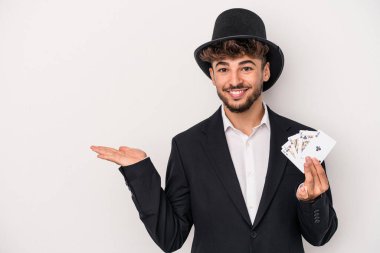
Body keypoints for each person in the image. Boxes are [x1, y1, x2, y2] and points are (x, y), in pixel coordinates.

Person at [90, 8, 338, 253]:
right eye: (223, 69)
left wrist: (312, 201)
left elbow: (319, 237)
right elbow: (170, 238)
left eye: (246, 67)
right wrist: (140, 172)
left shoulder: (304, 140)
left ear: (265, 71)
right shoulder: (187, 146)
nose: (234, 80)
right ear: (212, 76)